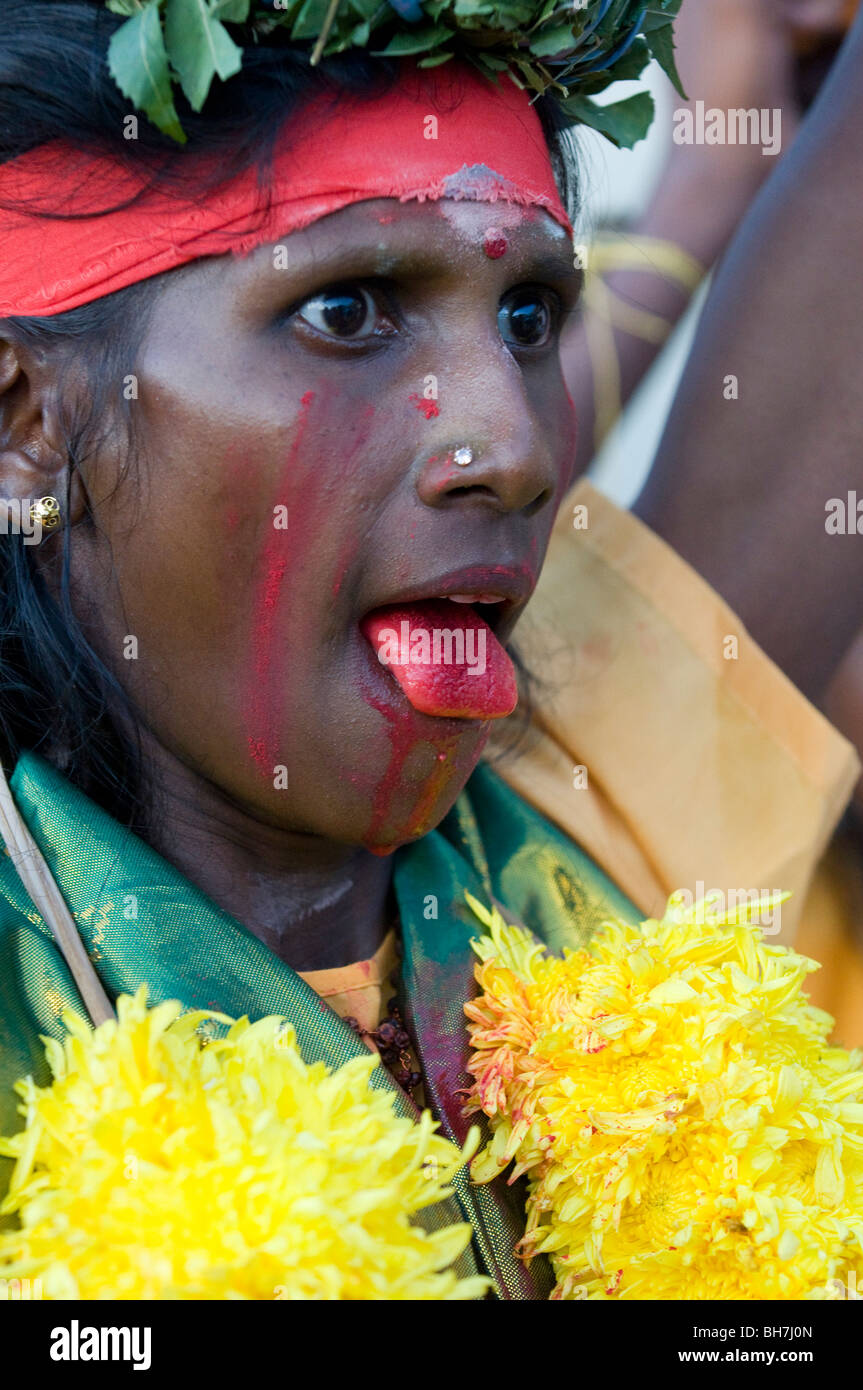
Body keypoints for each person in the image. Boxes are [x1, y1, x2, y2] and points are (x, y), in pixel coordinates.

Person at [0, 0, 858, 1300]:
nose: (516, 446)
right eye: (348, 310)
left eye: (529, 320)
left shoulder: (583, 841)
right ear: (25, 424)